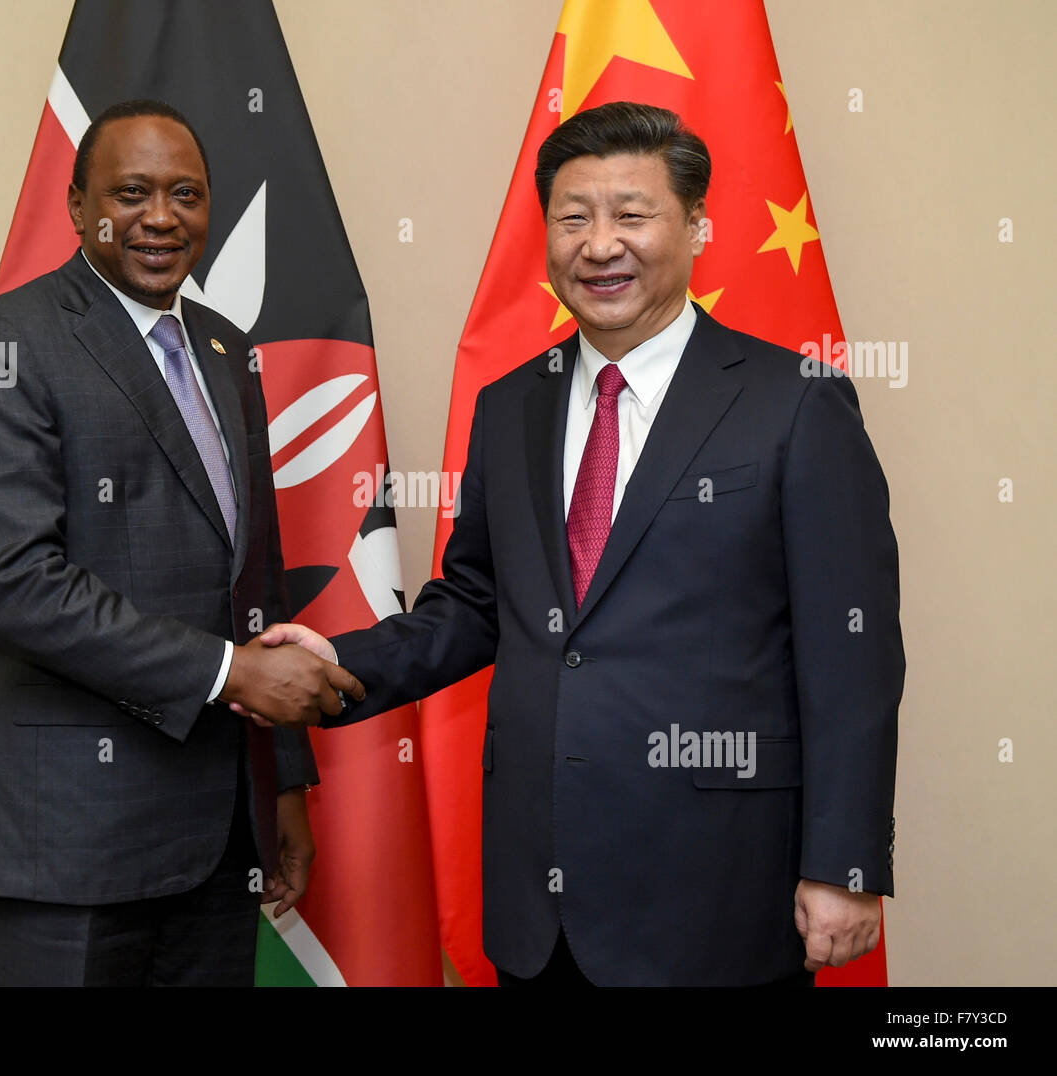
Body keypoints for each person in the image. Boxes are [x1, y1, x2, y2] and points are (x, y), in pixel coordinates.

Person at [250, 101, 902, 987]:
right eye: (573, 218)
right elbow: (477, 603)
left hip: (718, 892)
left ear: (699, 227)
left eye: (632, 214)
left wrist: (846, 864)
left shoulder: (796, 402)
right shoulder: (513, 403)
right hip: (538, 900)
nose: (600, 244)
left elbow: (851, 651)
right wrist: (336, 659)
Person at [0, 98, 363, 987]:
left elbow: (258, 586)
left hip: (216, 832)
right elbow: (17, 583)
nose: (161, 217)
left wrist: (284, 781)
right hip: (70, 835)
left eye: (186, 194)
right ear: (76, 203)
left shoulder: (223, 349)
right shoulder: (0, 343)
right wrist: (230, 673)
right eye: (130, 193)